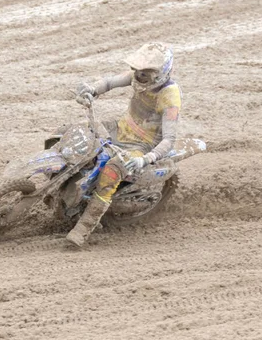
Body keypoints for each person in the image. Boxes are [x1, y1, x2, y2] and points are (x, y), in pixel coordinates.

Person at [66, 43, 181, 247]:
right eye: (138, 71)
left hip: (142, 144)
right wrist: (91, 90)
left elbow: (169, 139)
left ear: (160, 73)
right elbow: (110, 82)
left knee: (111, 171)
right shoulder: (137, 77)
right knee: (76, 132)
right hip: (119, 128)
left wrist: (145, 159)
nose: (140, 76)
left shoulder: (169, 95)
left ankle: (84, 228)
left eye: (146, 73)